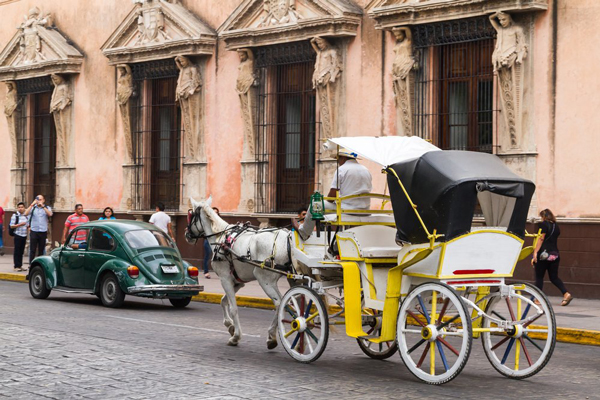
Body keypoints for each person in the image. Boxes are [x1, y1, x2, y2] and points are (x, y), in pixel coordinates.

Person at [531, 208, 573, 306]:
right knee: (554, 277)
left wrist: (535, 253)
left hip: (544, 255)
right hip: (555, 255)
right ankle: (566, 294)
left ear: (544, 216)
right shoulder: (556, 226)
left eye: (541, 217)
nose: (541, 219)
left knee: (539, 277)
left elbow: (541, 239)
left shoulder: (543, 225)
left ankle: (538, 299)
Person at [24, 194, 53, 263]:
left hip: (43, 231)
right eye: (37, 199)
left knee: (41, 249)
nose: (39, 201)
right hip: (34, 230)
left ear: (43, 200)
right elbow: (26, 213)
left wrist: (43, 207)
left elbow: (50, 214)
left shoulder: (47, 207)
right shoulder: (33, 208)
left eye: (40, 200)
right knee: (32, 249)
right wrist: (31, 205)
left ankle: (40, 263)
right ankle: (31, 263)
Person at [9, 202, 29, 271]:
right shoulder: (15, 216)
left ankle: (20, 265)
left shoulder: (26, 216)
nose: (20, 208)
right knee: (17, 251)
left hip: (24, 235)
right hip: (17, 235)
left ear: (24, 208)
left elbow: (28, 225)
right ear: (17, 208)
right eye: (19, 207)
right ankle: (16, 266)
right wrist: (19, 225)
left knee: (21, 251)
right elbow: (11, 226)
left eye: (22, 207)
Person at [202, 207, 220, 279]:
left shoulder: (219, 221)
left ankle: (220, 272)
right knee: (207, 256)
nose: (215, 214)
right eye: (214, 212)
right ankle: (206, 272)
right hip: (208, 240)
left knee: (218, 256)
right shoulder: (208, 221)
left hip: (217, 240)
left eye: (217, 212)